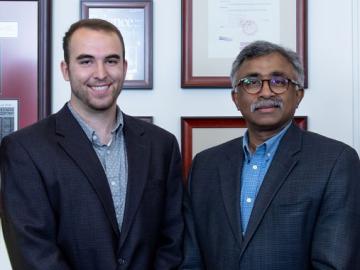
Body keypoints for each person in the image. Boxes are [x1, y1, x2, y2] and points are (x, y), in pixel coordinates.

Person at [0, 18, 183, 270]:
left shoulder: (162, 145)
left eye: (111, 60)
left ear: (124, 66)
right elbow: (33, 252)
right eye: (86, 61)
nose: (101, 73)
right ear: (66, 70)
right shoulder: (24, 149)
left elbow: (172, 242)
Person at [182, 40, 360, 269]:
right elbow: (191, 258)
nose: (266, 92)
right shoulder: (205, 165)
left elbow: (336, 263)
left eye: (279, 81)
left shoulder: (336, 162)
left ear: (298, 94)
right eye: (251, 82)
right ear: (236, 98)